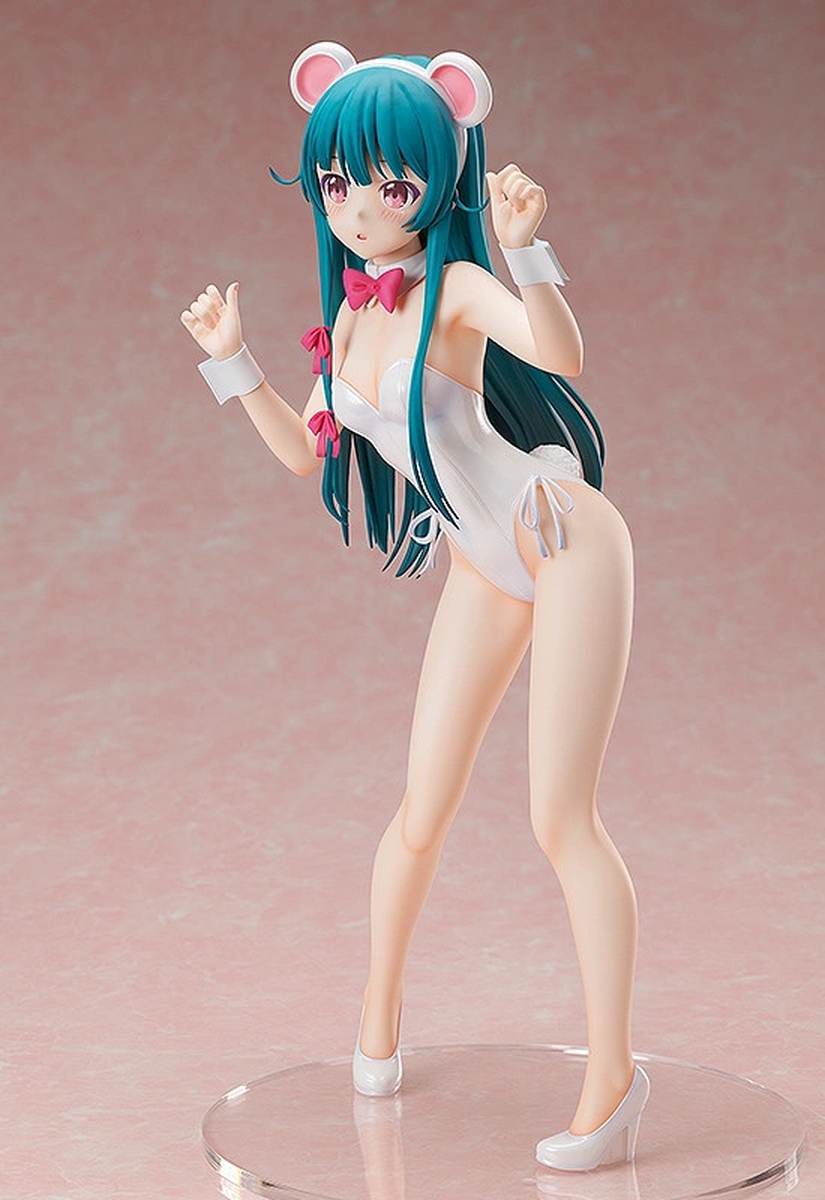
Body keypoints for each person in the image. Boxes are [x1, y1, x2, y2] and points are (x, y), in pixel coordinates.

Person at [181, 42, 649, 1172]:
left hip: (563, 539)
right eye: (337, 181)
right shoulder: (348, 320)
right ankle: (378, 1016)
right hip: (482, 563)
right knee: (419, 810)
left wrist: (526, 246)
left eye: (390, 184)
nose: (357, 207)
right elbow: (308, 452)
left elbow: (560, 353)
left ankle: (613, 1078)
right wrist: (235, 362)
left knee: (559, 819)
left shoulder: (458, 290)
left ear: (437, 181)